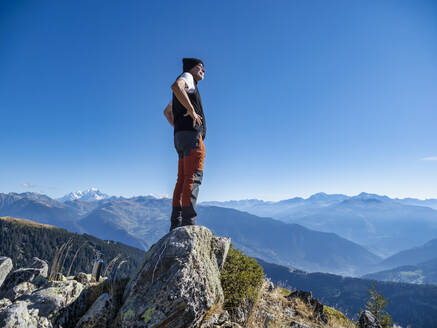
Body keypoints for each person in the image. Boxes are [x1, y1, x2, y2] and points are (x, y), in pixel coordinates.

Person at [164, 58, 206, 231]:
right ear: (191, 68)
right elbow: (176, 86)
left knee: (181, 179)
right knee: (193, 177)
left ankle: (176, 222)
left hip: (180, 137)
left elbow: (167, 112)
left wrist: (178, 126)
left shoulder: (183, 93)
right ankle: (188, 224)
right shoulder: (187, 78)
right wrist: (192, 111)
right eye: (201, 67)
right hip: (192, 138)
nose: (204, 71)